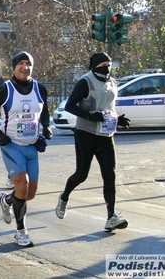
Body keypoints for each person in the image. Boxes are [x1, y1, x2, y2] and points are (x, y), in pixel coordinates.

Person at [0, 52, 53, 247]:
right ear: (14, 67)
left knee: (30, 193)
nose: (24, 67)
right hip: (11, 145)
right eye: (20, 63)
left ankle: (7, 200)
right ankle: (21, 232)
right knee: (22, 186)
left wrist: (45, 128)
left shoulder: (40, 89)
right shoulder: (5, 90)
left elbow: (44, 112)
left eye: (28, 63)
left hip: (32, 146)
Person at [55, 52, 131, 231]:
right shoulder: (85, 82)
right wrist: (90, 115)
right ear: (94, 66)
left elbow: (108, 107)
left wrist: (117, 119)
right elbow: (70, 105)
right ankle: (64, 197)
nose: (107, 68)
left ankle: (111, 216)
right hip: (86, 134)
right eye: (103, 65)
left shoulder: (112, 82)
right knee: (82, 175)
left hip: (106, 135)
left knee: (110, 175)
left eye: (110, 65)